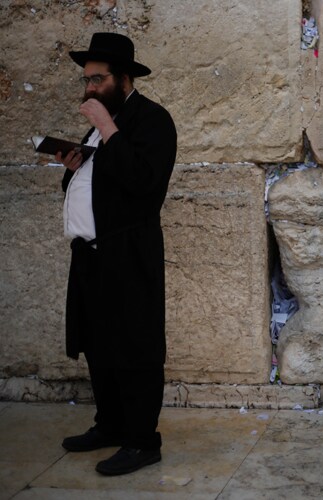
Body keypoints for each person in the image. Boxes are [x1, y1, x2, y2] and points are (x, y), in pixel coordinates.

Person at [57, 32, 177, 475]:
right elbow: (97, 185)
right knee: (98, 345)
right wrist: (73, 170)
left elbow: (143, 182)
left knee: (136, 347)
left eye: (98, 78)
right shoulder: (99, 125)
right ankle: (109, 425)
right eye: (86, 79)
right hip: (90, 256)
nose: (89, 87)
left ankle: (143, 441)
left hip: (128, 254)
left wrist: (106, 128)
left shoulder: (152, 121)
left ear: (123, 79)